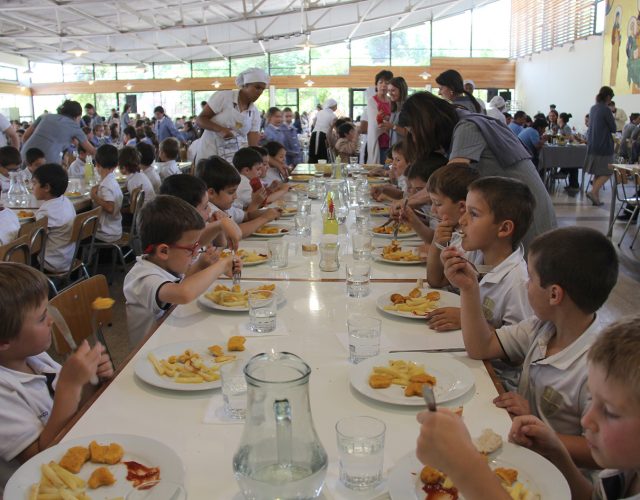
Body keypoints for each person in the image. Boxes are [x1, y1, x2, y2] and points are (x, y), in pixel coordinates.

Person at [442, 226, 618, 467]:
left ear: (554, 295)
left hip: (558, 474)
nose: (526, 285)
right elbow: (481, 347)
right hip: (520, 445)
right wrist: (469, 288)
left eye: (531, 279)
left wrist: (535, 426)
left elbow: (602, 452)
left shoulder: (599, 369)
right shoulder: (542, 327)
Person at [0, 263, 113, 488]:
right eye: (42, 318)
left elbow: (76, 406)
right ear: (4, 342)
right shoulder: (4, 394)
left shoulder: (35, 358)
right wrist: (70, 387)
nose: (51, 320)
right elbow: (41, 461)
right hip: (42, 485)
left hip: (75, 459)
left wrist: (91, 380)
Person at [397, 92, 556, 250]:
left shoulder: (467, 127)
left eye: (412, 132)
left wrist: (406, 202)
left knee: (526, 268)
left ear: (425, 123)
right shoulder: (463, 122)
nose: (414, 139)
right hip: (514, 206)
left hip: (528, 211)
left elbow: (448, 184)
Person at [509, 316, 640, 500]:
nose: (586, 420)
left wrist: (470, 470)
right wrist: (556, 451)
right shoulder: (624, 466)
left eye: (609, 412)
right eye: (592, 398)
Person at [123, 195, 240, 346]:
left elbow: (181, 285)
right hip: (150, 352)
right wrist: (222, 265)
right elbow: (182, 294)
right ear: (164, 251)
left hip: (174, 340)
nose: (197, 251)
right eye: (191, 248)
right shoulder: (143, 278)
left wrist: (201, 266)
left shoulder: (169, 263)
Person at [195, 156, 281, 238]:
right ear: (211, 193)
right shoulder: (209, 211)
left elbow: (247, 215)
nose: (235, 196)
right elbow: (234, 232)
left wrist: (267, 212)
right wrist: (264, 218)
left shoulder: (224, 207)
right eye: (231, 192)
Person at [196, 68, 267, 162]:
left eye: (263, 89)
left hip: (232, 159)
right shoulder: (224, 97)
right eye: (257, 87)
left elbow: (252, 146)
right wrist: (220, 129)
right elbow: (200, 119)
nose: (260, 92)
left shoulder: (254, 113)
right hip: (210, 152)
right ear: (245, 85)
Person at [32, 164, 75, 273]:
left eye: (35, 183)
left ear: (46, 187)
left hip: (50, 263)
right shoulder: (66, 201)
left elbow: (35, 243)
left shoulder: (46, 212)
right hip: (68, 258)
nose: (32, 187)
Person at [21, 100, 96, 164]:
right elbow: (91, 150)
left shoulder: (45, 116)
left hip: (25, 156)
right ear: (78, 116)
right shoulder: (74, 126)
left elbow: (25, 136)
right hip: (46, 163)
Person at [585, 86, 617, 206]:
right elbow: (613, 128)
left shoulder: (593, 108)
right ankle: (593, 192)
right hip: (604, 145)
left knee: (598, 171)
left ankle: (596, 199)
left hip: (593, 144)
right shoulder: (606, 110)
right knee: (608, 171)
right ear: (608, 97)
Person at [90, 144, 123, 243]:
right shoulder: (111, 180)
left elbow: (110, 208)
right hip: (115, 228)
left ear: (97, 164)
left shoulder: (106, 185)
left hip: (105, 233)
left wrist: (94, 196)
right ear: (116, 165)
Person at [366, 70, 394, 164]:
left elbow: (392, 121)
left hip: (391, 140)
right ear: (376, 85)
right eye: (380, 82)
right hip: (378, 140)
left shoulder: (391, 101)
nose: (383, 85)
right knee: (379, 169)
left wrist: (386, 120)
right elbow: (376, 123)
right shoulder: (372, 101)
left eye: (387, 83)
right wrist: (388, 122)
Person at [379, 76, 409, 147]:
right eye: (389, 91)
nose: (390, 93)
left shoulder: (408, 108)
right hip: (394, 150)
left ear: (401, 90)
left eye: (393, 90)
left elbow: (409, 134)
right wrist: (383, 122)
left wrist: (392, 126)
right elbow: (391, 133)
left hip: (404, 152)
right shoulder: (394, 109)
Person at [309, 98, 338, 163]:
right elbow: (335, 130)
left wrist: (318, 127)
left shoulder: (320, 112)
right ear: (333, 106)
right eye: (336, 106)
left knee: (313, 155)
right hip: (323, 136)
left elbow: (314, 122)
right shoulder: (333, 116)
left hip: (314, 134)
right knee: (322, 157)